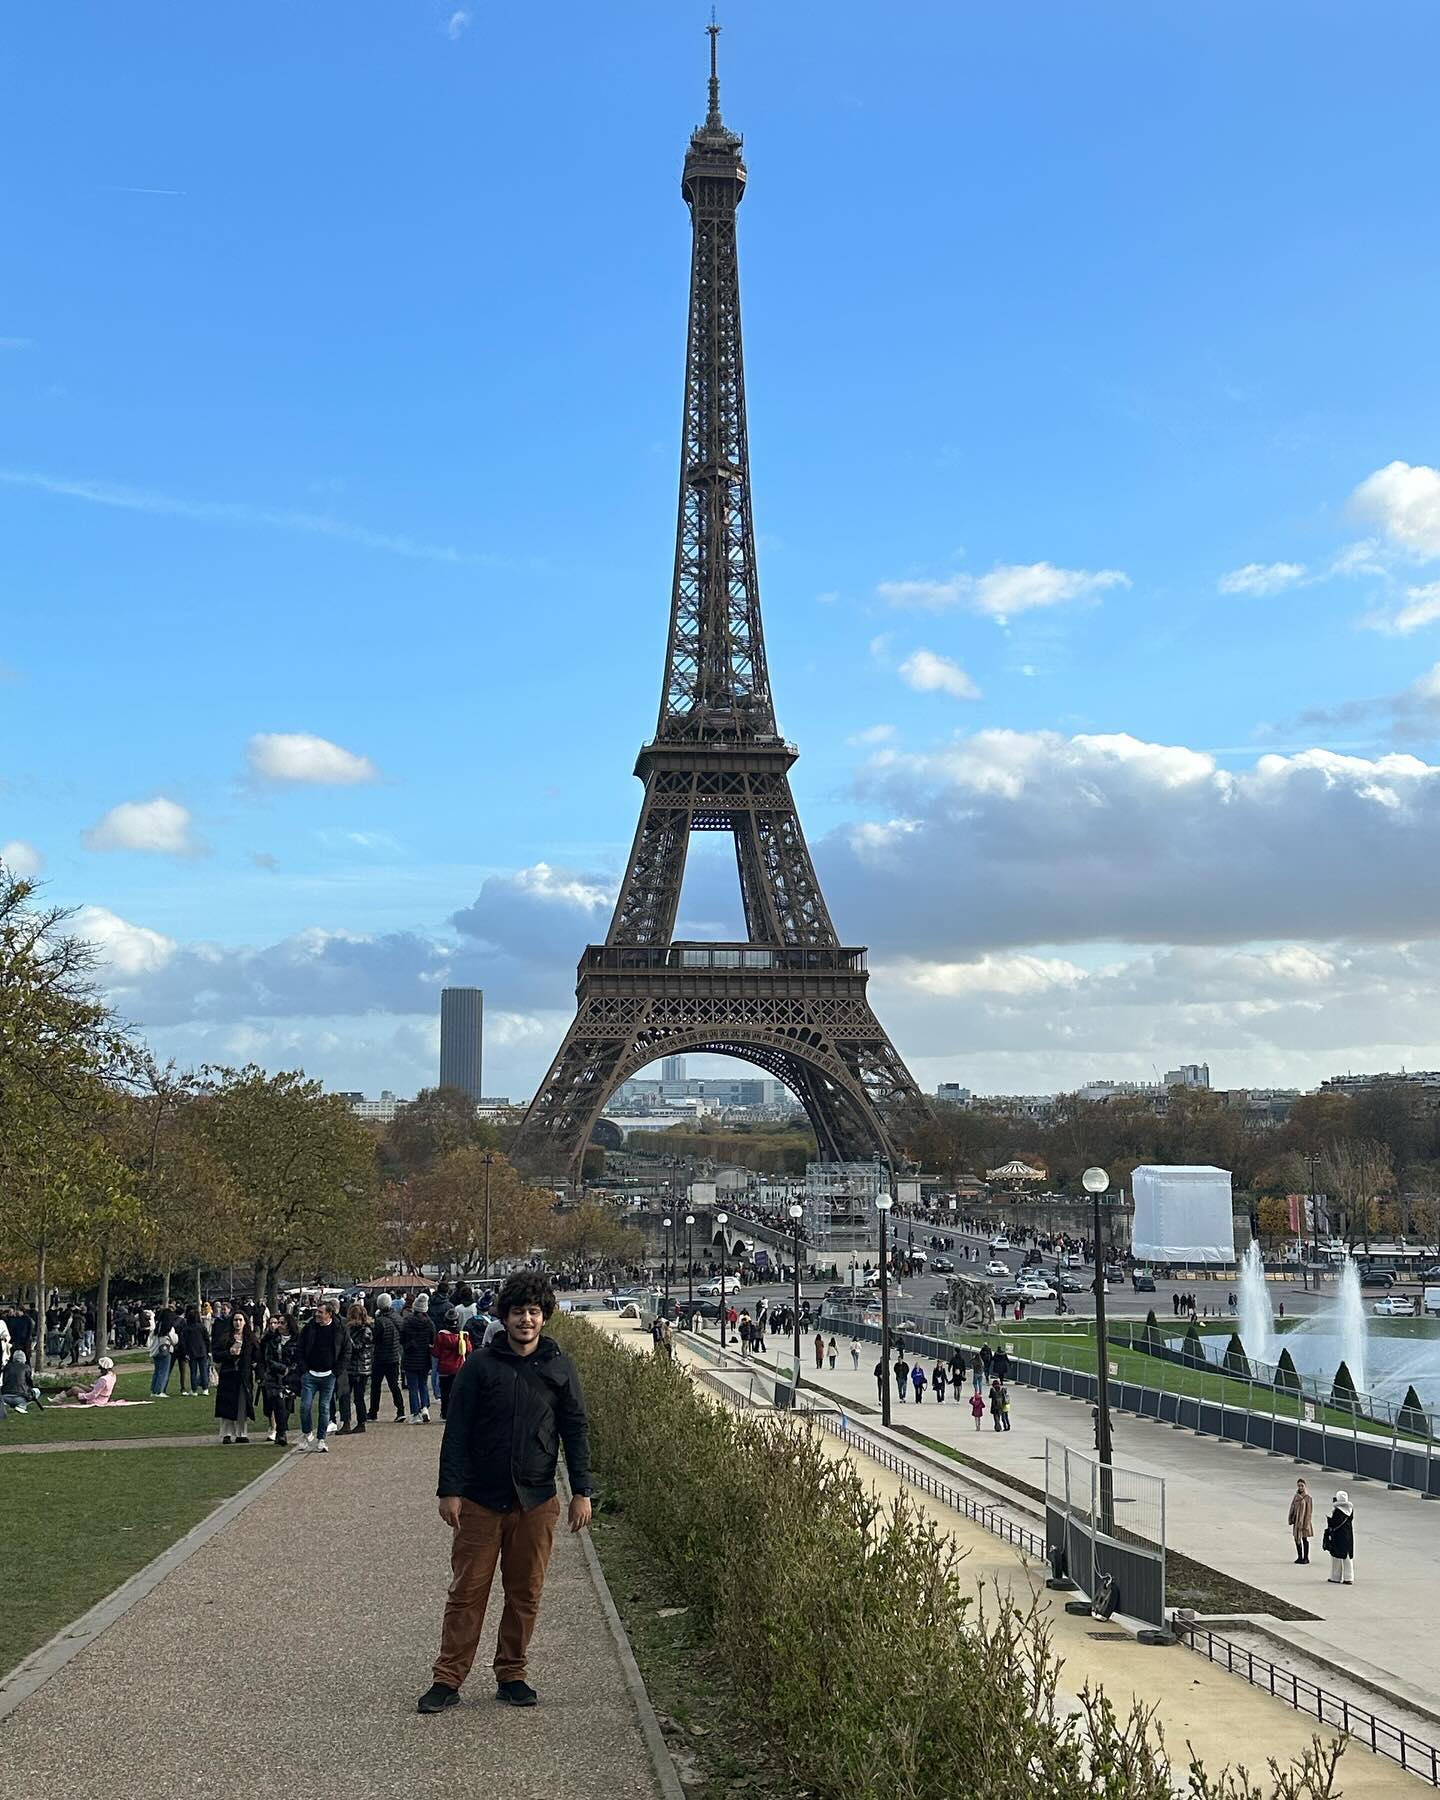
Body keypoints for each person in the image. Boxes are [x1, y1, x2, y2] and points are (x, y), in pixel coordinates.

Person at [418, 1271, 592, 1715]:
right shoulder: (480, 1365)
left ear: (544, 1317)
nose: (526, 1320)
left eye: (534, 1312)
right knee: (467, 1591)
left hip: (535, 1499)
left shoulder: (559, 1367)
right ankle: (448, 1677)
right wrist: (449, 1490)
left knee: (526, 1592)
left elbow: (575, 1430)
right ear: (506, 1316)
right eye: (518, 1312)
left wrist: (581, 1490)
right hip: (480, 1497)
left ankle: (512, 1671)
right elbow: (456, 1431)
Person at [298, 1300, 343, 1452]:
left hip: (328, 1375)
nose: (317, 1314)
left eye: (320, 1312)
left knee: (324, 1408)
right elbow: (300, 1347)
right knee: (305, 1406)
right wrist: (304, 1369)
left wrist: (336, 1371)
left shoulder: (339, 1329)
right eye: (316, 1311)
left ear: (329, 1314)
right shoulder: (309, 1328)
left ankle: (321, 1439)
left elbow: (346, 1350)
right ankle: (306, 1433)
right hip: (310, 1374)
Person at [215, 1308, 255, 1444]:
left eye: (240, 1320)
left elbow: (257, 1356)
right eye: (235, 1320)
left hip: (243, 1376)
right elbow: (216, 1355)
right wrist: (228, 1353)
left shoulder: (250, 1338)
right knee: (227, 1404)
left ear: (245, 1322)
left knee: (242, 1405)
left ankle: (241, 1433)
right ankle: (227, 1433)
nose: (237, 1323)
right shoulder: (225, 1337)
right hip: (228, 1374)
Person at [369, 1291, 406, 1422]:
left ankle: (373, 1412)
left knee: (376, 1385)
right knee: (394, 1385)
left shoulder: (380, 1321)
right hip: (394, 1355)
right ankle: (400, 1410)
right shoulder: (398, 1318)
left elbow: (375, 1339)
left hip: (381, 1356)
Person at [402, 1293, 438, 1423]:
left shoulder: (407, 1322)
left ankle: (415, 1413)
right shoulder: (429, 1323)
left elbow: (402, 1339)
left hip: (410, 1357)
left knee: (413, 1387)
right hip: (424, 1357)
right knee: (423, 1384)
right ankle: (425, 1407)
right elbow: (433, 1340)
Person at [338, 1302, 372, 1434]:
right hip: (358, 1367)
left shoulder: (365, 1331)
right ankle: (349, 1422)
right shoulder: (362, 1330)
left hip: (358, 1367)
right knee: (348, 1396)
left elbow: (357, 1348)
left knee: (356, 1396)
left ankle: (359, 1422)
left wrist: (348, 1339)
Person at [434, 1309, 467, 1417]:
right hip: (458, 1367)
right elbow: (469, 1349)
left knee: (445, 1393)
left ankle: (444, 1412)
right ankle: (456, 1412)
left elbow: (436, 1353)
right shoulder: (462, 1336)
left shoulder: (441, 1336)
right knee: (457, 1392)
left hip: (444, 1369)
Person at [1323, 1492, 1354, 1585]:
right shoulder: (1350, 1510)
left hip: (1338, 1537)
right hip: (1349, 1536)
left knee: (1336, 1556)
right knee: (1347, 1557)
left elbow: (1334, 1524)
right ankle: (1349, 1577)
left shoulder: (1337, 1511)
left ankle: (1336, 1577)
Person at [148, 1319, 177, 1399]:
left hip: (156, 1351)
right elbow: (174, 1340)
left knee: (157, 1371)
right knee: (163, 1371)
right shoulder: (169, 1329)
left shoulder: (157, 1328)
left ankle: (154, 1390)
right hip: (165, 1350)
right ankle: (159, 1390)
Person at [1288, 1478, 1314, 1565]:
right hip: (1296, 1520)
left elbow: (1309, 1511)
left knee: (1304, 1538)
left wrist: (1306, 1523)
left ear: (1305, 1486)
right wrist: (1291, 1518)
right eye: (1299, 1486)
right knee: (1297, 1538)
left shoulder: (1308, 1497)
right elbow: (1292, 1507)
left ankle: (1306, 1558)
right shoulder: (1296, 1497)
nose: (1300, 1487)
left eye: (1302, 1486)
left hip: (1304, 1521)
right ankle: (1299, 1557)